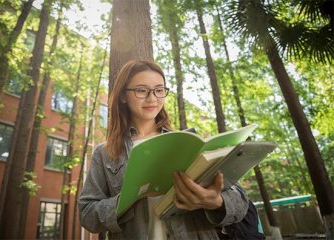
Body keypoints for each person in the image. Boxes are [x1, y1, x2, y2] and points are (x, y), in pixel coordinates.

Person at [78, 60, 249, 239]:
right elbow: (87, 215)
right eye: (142, 90)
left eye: (159, 90)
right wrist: (129, 198)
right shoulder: (105, 153)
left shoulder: (188, 143)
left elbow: (241, 202)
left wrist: (216, 201)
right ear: (123, 96)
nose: (152, 98)